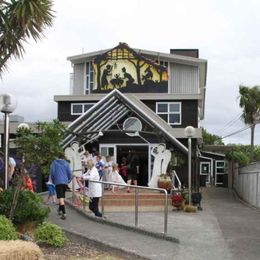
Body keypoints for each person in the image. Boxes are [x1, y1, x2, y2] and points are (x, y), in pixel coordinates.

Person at [50, 151, 72, 220]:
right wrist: (68, 180)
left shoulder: (54, 163)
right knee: (61, 197)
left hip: (58, 182)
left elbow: (52, 173)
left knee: (61, 198)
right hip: (65, 182)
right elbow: (70, 174)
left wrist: (53, 181)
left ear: (57, 156)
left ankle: (64, 213)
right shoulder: (66, 163)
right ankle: (59, 210)